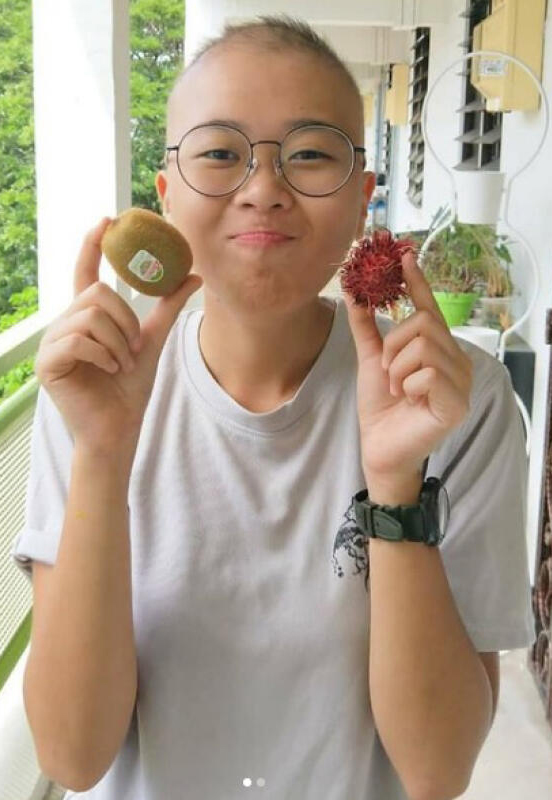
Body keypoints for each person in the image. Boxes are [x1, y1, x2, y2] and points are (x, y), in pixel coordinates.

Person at [11, 14, 535, 800]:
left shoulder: (455, 398)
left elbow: (438, 770)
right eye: (220, 154)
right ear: (166, 195)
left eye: (310, 154)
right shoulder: (90, 393)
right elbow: (72, 755)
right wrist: (103, 456)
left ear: (362, 198)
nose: (263, 190)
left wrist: (396, 489)